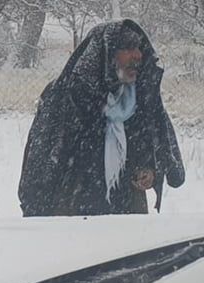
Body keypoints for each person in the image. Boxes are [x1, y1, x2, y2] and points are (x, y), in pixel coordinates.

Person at [18, 19, 185, 217]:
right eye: (128, 48)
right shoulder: (67, 96)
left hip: (128, 215)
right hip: (73, 216)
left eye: (139, 48)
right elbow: (40, 160)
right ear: (106, 54)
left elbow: (153, 144)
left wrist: (148, 170)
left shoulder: (140, 98)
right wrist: (36, 214)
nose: (137, 55)